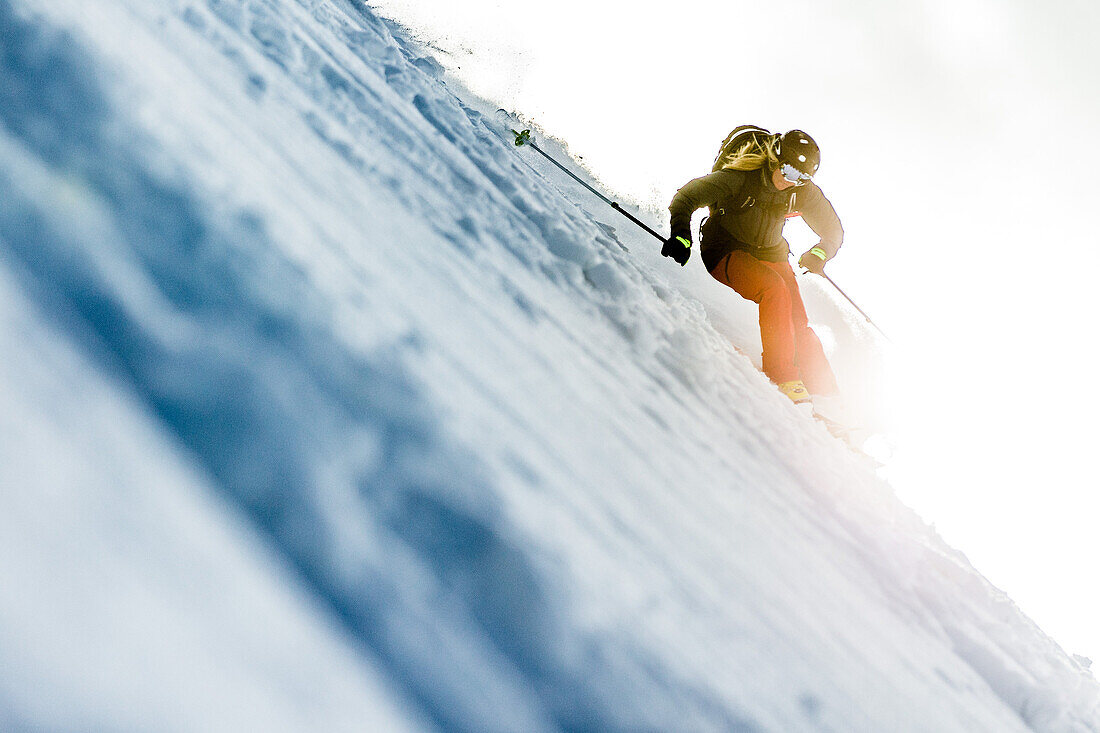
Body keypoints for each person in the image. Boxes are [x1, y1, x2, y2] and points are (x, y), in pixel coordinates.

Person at [662, 127, 844, 417]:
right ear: (774, 158)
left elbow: (832, 230)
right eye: (787, 170)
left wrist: (819, 253)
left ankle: (827, 396)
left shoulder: (801, 191)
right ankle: (783, 377)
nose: (791, 181)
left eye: (801, 177)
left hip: (771, 251)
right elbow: (686, 197)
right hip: (725, 250)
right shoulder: (740, 179)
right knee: (774, 290)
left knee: (798, 317)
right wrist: (682, 236)